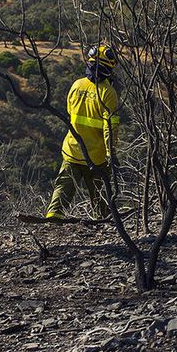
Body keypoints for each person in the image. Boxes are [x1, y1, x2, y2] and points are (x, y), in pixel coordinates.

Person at [45, 43, 120, 221]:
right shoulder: (108, 93)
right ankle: (102, 223)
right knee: (101, 198)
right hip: (97, 156)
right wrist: (111, 154)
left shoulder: (76, 85)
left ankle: (52, 219)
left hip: (72, 150)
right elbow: (110, 128)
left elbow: (71, 113)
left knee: (62, 188)